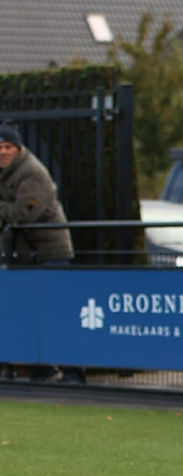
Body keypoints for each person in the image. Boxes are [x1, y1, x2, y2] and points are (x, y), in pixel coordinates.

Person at [0, 121, 85, 384]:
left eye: (8, 147)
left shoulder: (32, 172)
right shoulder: (6, 172)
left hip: (49, 253)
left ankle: (73, 373)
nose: (3, 152)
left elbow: (23, 214)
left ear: (18, 148)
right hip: (23, 255)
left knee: (57, 313)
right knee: (23, 313)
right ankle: (40, 369)